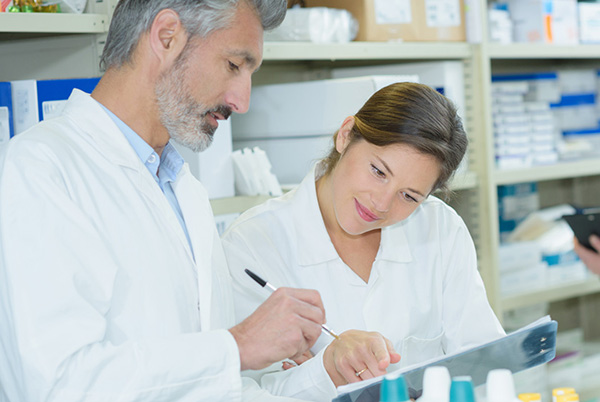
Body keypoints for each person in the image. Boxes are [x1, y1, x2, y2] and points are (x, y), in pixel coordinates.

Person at [0, 1, 330, 401]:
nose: (242, 100)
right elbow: (58, 385)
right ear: (166, 36)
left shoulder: (183, 188)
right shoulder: (40, 169)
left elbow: (215, 387)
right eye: (233, 65)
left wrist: (326, 377)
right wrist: (238, 346)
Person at [221, 82, 506, 401]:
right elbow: (237, 390)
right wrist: (325, 370)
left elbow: (482, 366)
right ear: (346, 135)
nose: (382, 203)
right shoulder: (253, 243)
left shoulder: (439, 229)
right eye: (378, 171)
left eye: (409, 196)